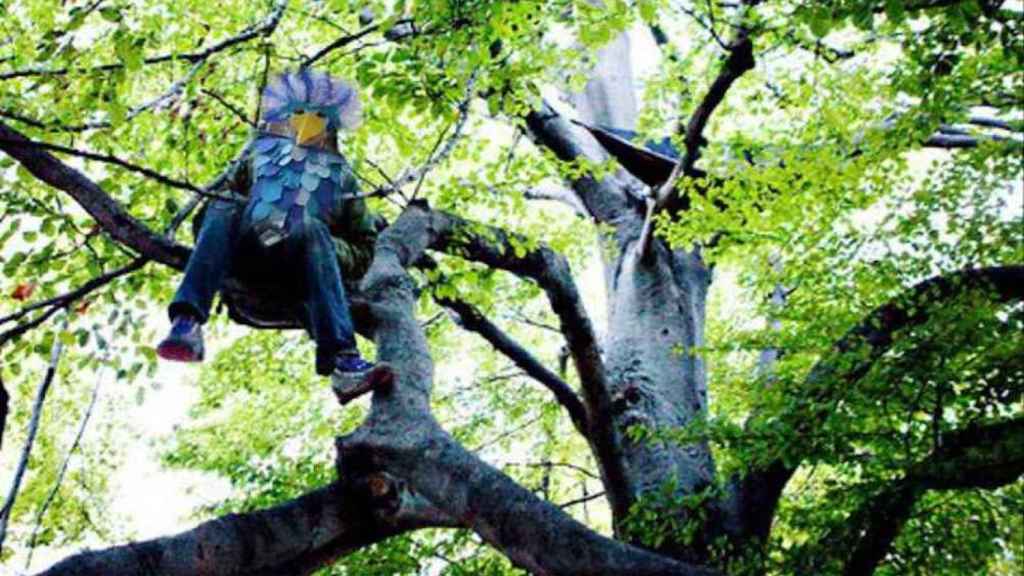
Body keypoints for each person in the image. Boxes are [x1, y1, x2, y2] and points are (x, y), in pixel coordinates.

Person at [156, 69, 378, 382]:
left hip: (301, 274)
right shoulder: (256, 161)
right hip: (249, 261)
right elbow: (208, 223)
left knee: (309, 226)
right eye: (298, 113)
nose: (305, 121)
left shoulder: (342, 179)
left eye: (316, 115)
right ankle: (187, 323)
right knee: (224, 203)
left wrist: (320, 237)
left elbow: (365, 250)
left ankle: (343, 360)